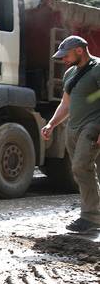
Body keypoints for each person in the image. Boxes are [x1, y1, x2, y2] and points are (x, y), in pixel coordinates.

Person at [41, 35, 100, 233]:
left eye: (65, 55)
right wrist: (51, 124)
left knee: (81, 167)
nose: (63, 59)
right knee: (80, 171)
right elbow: (65, 104)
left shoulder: (98, 68)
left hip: (92, 126)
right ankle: (92, 214)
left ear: (79, 51)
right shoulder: (70, 74)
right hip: (73, 128)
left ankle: (91, 218)